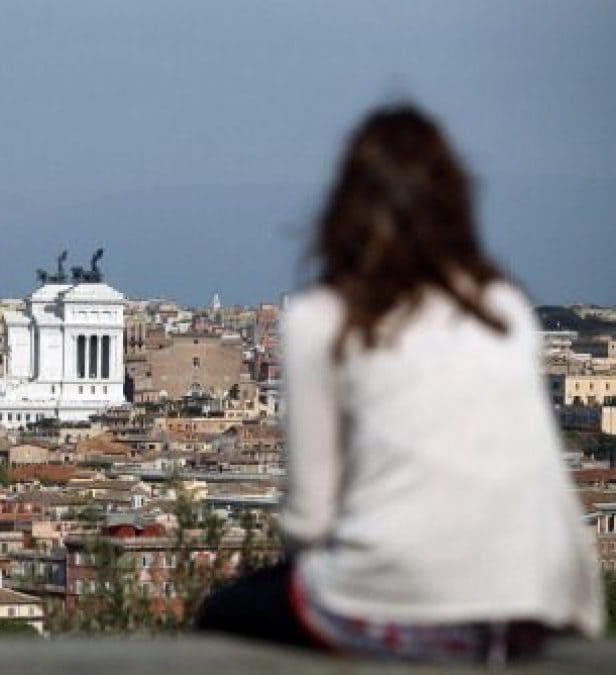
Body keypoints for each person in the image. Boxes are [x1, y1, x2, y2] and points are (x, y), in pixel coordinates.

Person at [194, 104, 604, 662]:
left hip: (388, 602)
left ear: (343, 209)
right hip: (527, 607)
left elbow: (310, 518)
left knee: (223, 612)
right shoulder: (505, 309)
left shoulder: (322, 319)